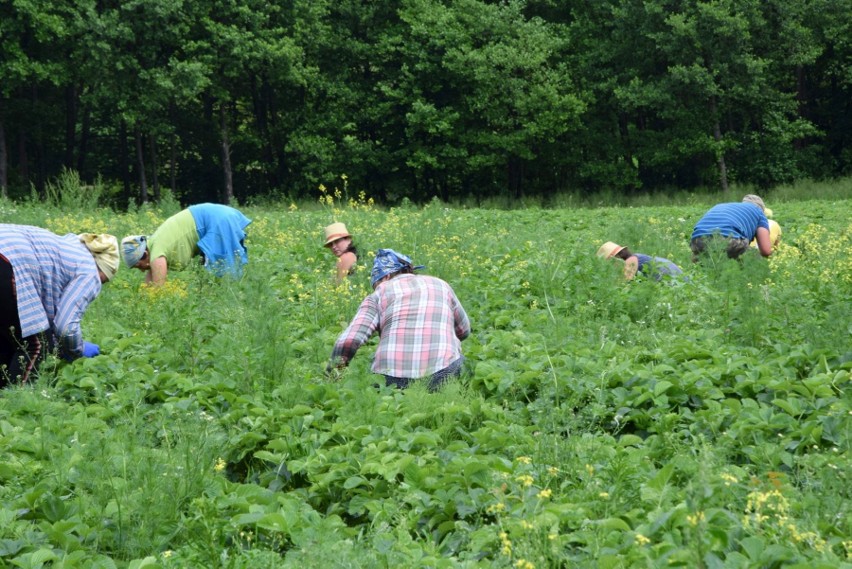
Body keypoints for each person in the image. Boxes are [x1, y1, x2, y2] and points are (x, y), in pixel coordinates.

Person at [328, 249, 471, 392]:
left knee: (378, 378)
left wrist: (332, 376)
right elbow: (463, 330)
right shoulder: (441, 285)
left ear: (386, 277)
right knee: (461, 363)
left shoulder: (379, 294)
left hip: (392, 380)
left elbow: (349, 341)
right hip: (443, 373)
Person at [1, 225, 119, 385]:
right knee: (38, 344)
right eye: (103, 280)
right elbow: (65, 327)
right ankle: (14, 406)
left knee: (7, 339)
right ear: (102, 269)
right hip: (8, 259)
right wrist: (78, 350)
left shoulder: (69, 248)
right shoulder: (90, 271)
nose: (99, 284)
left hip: (6, 249)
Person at [122, 203, 251, 285]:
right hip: (218, 216)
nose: (141, 270)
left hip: (218, 221)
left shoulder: (156, 255)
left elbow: (157, 288)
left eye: (138, 266)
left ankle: (237, 299)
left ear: (144, 254)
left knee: (225, 273)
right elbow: (150, 283)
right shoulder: (155, 245)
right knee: (211, 276)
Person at [690, 194, 773, 262]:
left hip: (697, 239)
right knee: (757, 262)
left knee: (704, 270)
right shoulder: (759, 213)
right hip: (727, 238)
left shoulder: (723, 205)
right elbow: (766, 251)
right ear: (762, 209)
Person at [596, 241, 684, 281]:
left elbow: (624, 284)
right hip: (681, 280)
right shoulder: (639, 257)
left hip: (677, 283)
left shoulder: (632, 261)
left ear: (617, 257)